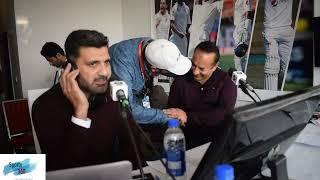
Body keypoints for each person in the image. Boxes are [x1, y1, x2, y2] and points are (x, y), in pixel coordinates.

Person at [33, 30, 141, 171]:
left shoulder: (114, 95)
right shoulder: (45, 106)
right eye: (93, 64)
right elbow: (59, 170)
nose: (104, 72)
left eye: (107, 62)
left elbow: (133, 148)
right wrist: (80, 112)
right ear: (71, 68)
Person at [165, 41, 237, 149]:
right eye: (194, 65)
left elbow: (224, 115)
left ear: (214, 67)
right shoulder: (180, 81)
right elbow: (172, 112)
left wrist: (188, 116)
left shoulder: (227, 84)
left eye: (201, 68)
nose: (195, 72)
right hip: (184, 139)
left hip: (214, 142)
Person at [109, 38, 191, 124]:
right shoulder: (122, 66)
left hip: (138, 96)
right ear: (154, 68)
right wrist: (169, 116)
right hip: (118, 109)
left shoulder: (154, 46)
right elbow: (128, 110)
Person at [263, 0, 295, 90]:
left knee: (286, 68)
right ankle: (270, 97)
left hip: (286, 29)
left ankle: (278, 91)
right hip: (270, 29)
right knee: (270, 67)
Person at [233, 0, 254, 72]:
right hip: (239, 28)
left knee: (239, 55)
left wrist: (246, 28)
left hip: (242, 28)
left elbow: (248, 12)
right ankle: (242, 77)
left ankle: (240, 79)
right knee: (241, 56)